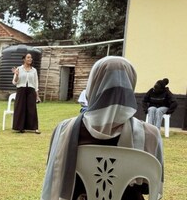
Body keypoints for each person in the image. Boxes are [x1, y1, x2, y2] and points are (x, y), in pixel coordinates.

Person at [41, 56, 163, 200]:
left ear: (92, 84)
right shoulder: (150, 134)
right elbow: (147, 187)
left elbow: (56, 173)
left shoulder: (64, 130)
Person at [11, 52, 41, 134]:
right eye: (28, 57)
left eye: (31, 57)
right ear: (24, 59)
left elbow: (36, 83)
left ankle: (34, 128)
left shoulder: (34, 70)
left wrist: (37, 96)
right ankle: (20, 127)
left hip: (31, 90)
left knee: (32, 109)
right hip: (21, 90)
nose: (30, 59)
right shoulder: (19, 69)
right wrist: (16, 75)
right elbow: (14, 82)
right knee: (20, 108)